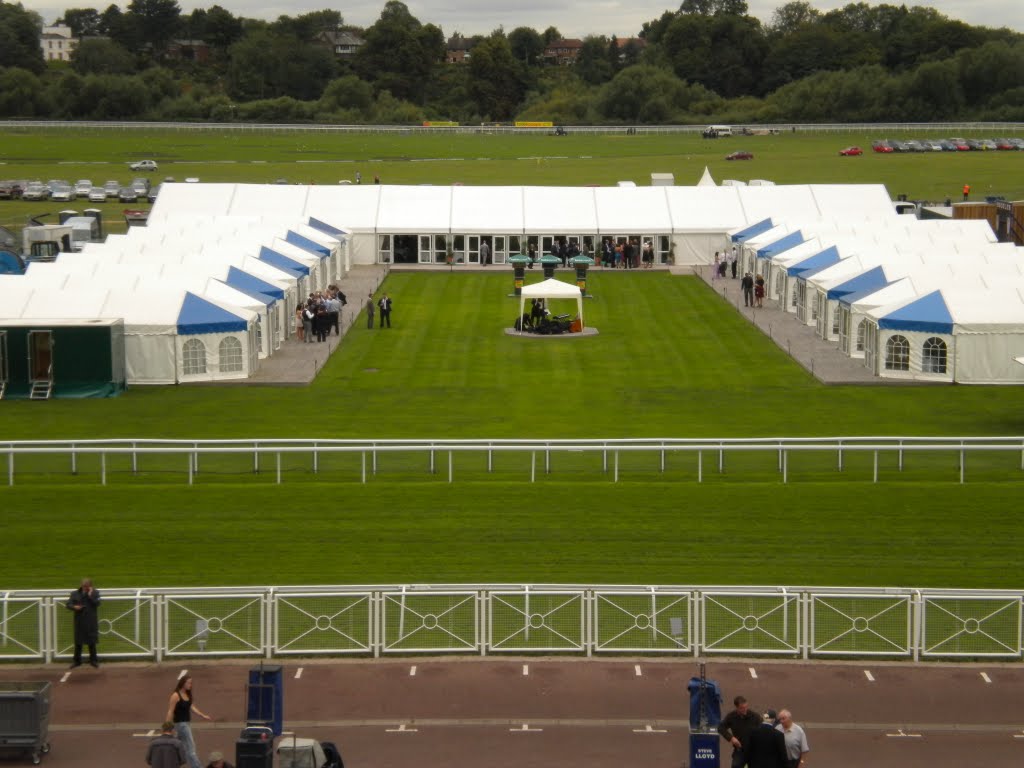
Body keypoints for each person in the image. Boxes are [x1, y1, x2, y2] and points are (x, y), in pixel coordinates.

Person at [167, 674, 213, 768]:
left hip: (185, 725)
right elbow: (170, 711)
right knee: (191, 749)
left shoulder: (187, 695)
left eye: (191, 683)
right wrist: (167, 727)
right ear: (183, 683)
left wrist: (202, 715)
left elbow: (191, 707)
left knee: (176, 748)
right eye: (188, 683)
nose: (190, 685)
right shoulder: (176, 695)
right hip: (181, 725)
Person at [718, 695, 761, 768]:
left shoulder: (755, 716)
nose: (745, 710)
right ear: (736, 708)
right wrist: (731, 738)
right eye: (742, 708)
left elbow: (763, 729)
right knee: (735, 766)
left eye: (746, 707)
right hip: (740, 750)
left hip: (754, 750)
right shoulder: (731, 716)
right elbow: (721, 728)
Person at [66, 578, 100, 668]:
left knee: (91, 641)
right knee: (78, 642)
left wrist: (90, 595)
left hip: (90, 621)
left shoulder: (95, 593)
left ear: (90, 586)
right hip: (79, 621)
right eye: (84, 586)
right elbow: (68, 604)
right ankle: (77, 661)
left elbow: (97, 603)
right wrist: (75, 607)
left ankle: (93, 660)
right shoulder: (75, 594)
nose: (85, 588)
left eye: (87, 587)